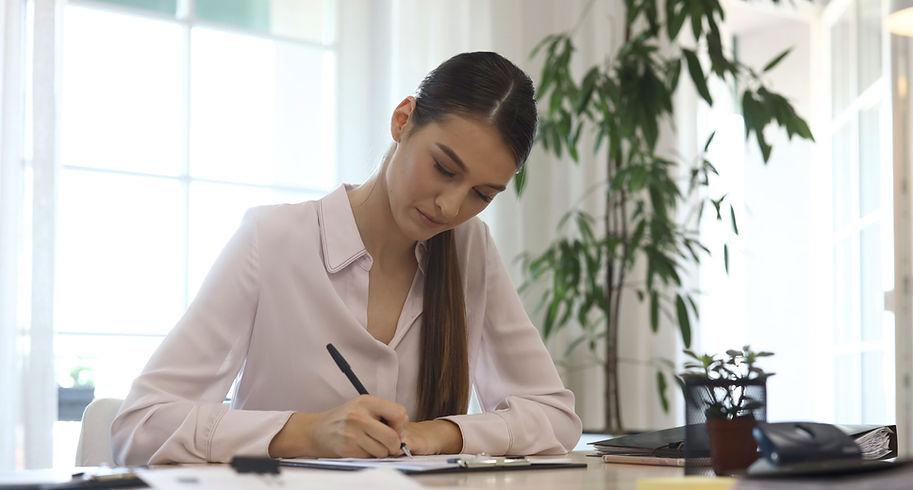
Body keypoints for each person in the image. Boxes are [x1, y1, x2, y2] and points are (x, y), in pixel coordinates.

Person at [110, 51, 583, 465]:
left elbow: (555, 418)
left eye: (482, 193)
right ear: (403, 119)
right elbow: (139, 427)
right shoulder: (272, 239)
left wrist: (443, 434)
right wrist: (306, 433)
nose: (450, 207)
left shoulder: (469, 248)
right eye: (443, 168)